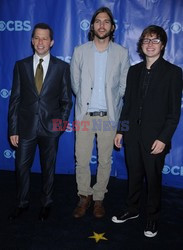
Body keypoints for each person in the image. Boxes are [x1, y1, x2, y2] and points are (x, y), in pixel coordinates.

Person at [112, 25, 183, 237]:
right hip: (132, 136)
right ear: (141, 45)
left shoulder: (173, 72)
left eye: (155, 41)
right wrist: (120, 131)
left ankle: (152, 218)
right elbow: (127, 106)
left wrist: (163, 138)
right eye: (146, 40)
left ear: (162, 45)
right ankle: (132, 210)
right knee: (133, 176)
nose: (150, 45)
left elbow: (173, 113)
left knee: (153, 181)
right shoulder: (133, 71)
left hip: (155, 139)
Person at [8, 23, 72, 221]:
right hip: (25, 127)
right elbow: (15, 100)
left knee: (48, 169)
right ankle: (22, 203)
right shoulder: (21, 65)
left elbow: (66, 101)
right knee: (21, 168)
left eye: (45, 38)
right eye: (37, 37)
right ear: (32, 40)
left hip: (50, 129)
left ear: (51, 42)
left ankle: (46, 203)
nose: (40, 42)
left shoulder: (62, 67)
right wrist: (13, 129)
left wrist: (58, 127)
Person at [70, 7, 130, 218]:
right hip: (85, 116)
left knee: (105, 161)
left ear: (112, 27)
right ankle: (84, 196)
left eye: (106, 21)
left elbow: (124, 86)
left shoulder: (122, 52)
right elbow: (75, 84)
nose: (102, 25)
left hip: (109, 116)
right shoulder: (80, 50)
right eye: (98, 21)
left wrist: (112, 102)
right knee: (82, 160)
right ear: (92, 26)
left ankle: (98, 199)